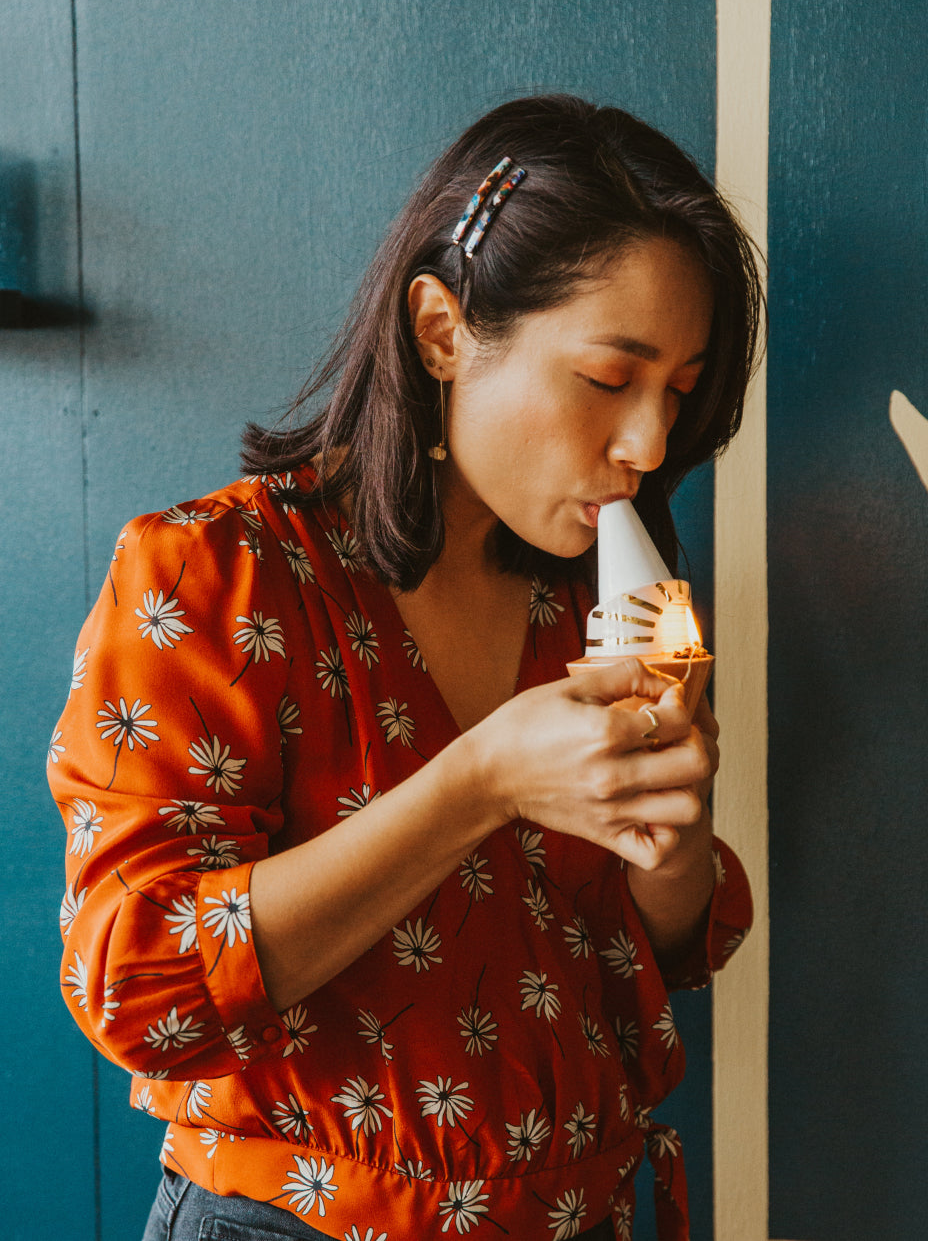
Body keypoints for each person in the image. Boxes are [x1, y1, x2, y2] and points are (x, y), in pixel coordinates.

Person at [50, 94, 760, 1241]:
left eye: (676, 392)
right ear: (441, 328)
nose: (647, 447)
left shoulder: (601, 598)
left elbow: (679, 944)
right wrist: (480, 781)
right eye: (605, 379)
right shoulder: (214, 576)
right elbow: (137, 983)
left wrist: (670, 834)